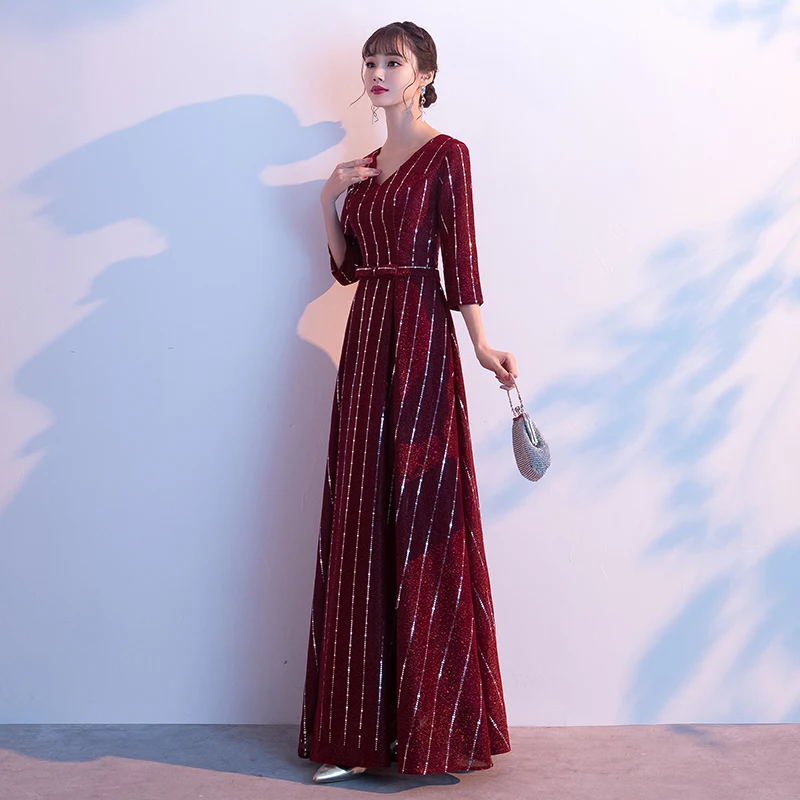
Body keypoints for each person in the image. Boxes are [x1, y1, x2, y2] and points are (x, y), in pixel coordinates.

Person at [297, 21, 517, 783]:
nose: (378, 71)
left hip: (422, 335)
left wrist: (482, 343)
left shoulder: (447, 154)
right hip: (366, 339)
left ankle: (432, 730)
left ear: (424, 74)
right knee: (361, 512)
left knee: (421, 513)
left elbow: (462, 260)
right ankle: (354, 737)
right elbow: (346, 270)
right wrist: (329, 199)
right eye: (371, 61)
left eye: (394, 61)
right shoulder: (359, 169)